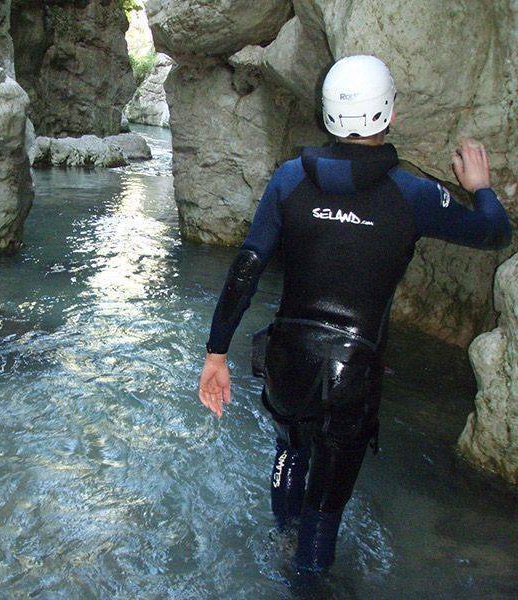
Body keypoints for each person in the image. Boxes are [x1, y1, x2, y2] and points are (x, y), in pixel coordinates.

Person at [197, 55, 512, 573]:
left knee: (290, 450)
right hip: (351, 374)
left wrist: (216, 354)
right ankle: (306, 579)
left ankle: (282, 541)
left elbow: (246, 269)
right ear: (387, 114)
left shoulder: (288, 179)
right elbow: (495, 232)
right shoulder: (415, 195)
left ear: (327, 116)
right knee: (324, 513)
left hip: (286, 362)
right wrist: (478, 186)